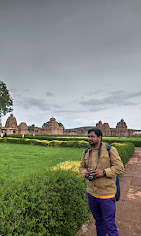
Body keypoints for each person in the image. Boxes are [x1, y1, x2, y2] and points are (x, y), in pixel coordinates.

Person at [79, 127, 124, 236]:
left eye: (92, 136)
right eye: (88, 136)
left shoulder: (109, 150)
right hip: (91, 193)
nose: (90, 138)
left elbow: (120, 168)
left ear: (100, 137)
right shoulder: (86, 151)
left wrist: (103, 172)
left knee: (109, 224)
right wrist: (85, 173)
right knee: (98, 222)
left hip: (106, 194)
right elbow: (81, 167)